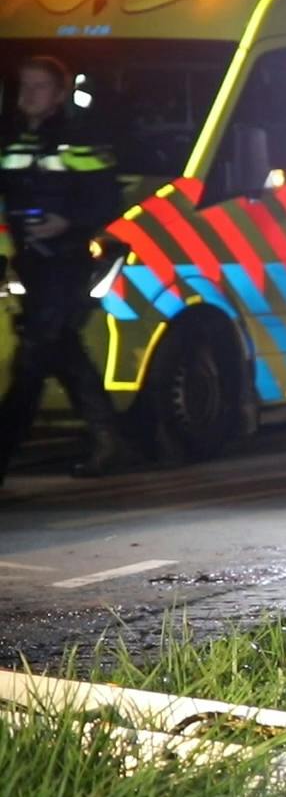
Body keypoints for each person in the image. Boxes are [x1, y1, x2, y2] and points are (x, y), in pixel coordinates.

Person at [0, 55, 131, 486]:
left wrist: (68, 222)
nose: (28, 95)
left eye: (39, 87)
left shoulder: (79, 139)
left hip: (65, 260)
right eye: (24, 86)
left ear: (58, 95)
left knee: (33, 360)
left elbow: (106, 199)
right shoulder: (17, 138)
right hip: (31, 260)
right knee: (64, 352)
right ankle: (108, 440)